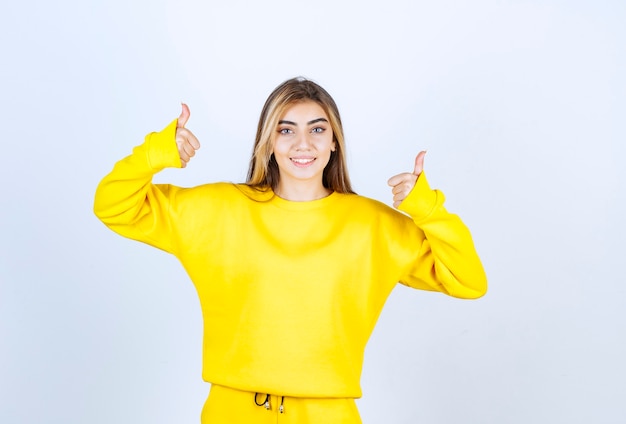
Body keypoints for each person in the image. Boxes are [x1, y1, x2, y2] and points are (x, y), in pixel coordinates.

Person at [93, 77, 487, 423]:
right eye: (286, 130)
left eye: (318, 130)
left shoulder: (374, 226)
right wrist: (156, 153)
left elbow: (468, 280)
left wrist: (428, 209)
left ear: (334, 142)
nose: (303, 143)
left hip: (328, 415)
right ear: (268, 142)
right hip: (231, 413)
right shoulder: (218, 210)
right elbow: (113, 205)